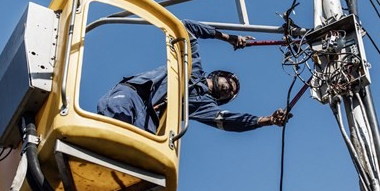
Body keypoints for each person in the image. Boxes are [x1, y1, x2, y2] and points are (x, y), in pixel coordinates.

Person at [97, 19, 291, 134]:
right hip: (136, 95)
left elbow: (229, 120)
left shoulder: (204, 106)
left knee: (135, 151)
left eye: (230, 93)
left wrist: (266, 120)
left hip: (150, 121)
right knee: (116, 118)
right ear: (219, 75)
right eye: (230, 83)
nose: (229, 88)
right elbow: (186, 27)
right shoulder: (192, 65)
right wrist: (227, 37)